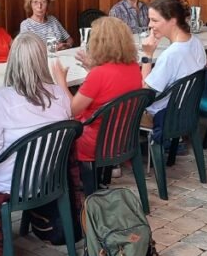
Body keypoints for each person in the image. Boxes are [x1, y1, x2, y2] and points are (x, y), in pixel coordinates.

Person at [0, 33, 72, 256]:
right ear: (42, 61)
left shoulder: (1, 100)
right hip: (49, 178)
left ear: (12, 61)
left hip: (9, 185)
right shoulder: (60, 94)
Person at [51, 16, 141, 164]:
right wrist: (94, 68)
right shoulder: (133, 67)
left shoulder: (99, 75)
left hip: (96, 142)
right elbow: (112, 86)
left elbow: (71, 110)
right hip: (123, 137)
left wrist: (61, 82)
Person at [139, 0, 207, 141]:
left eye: (155, 20)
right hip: (186, 110)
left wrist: (147, 55)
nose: (150, 25)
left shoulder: (170, 55)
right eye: (150, 19)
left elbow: (145, 94)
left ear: (173, 21)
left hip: (163, 114)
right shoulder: (196, 42)